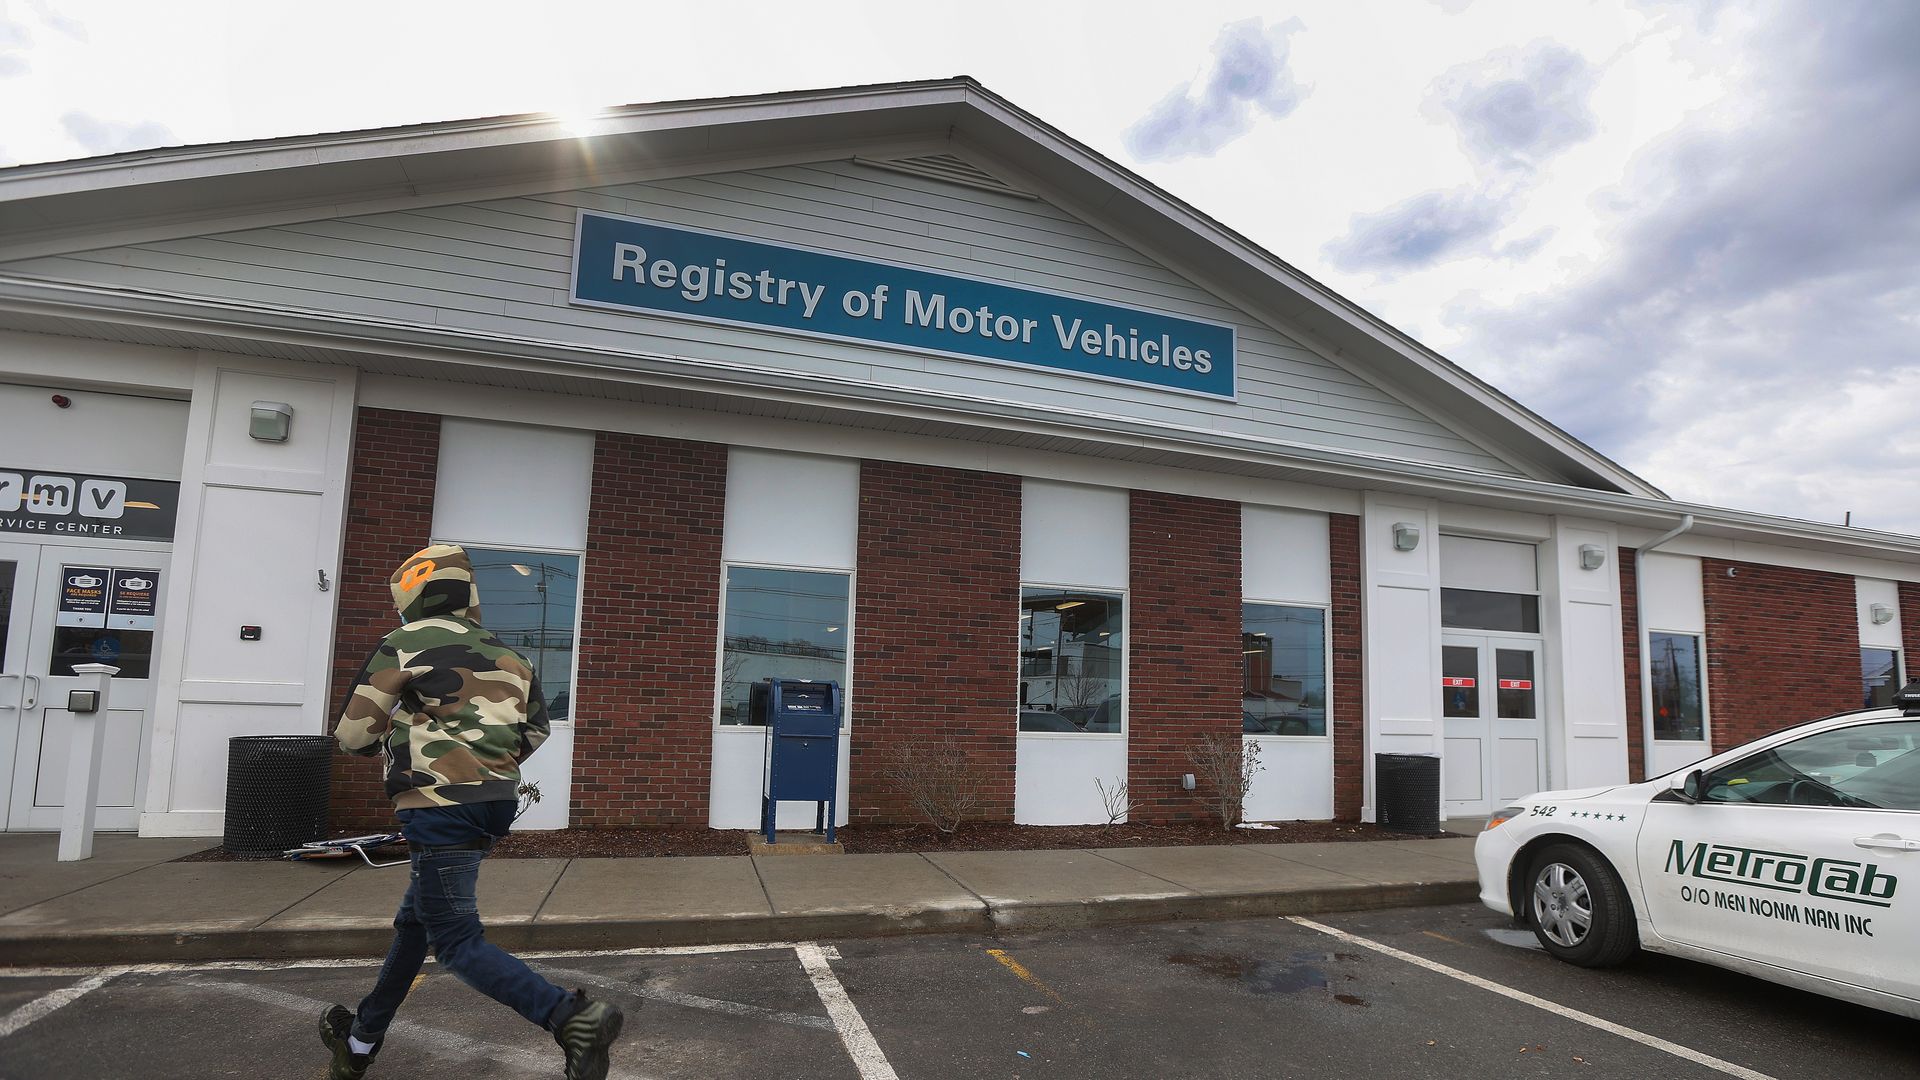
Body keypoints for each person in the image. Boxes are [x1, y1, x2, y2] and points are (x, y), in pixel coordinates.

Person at [319, 543, 624, 1080]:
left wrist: (396, 745)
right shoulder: (509, 653)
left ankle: (569, 1016)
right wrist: (487, 762)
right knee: (416, 925)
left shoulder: (405, 642)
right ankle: (361, 1041)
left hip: (439, 806)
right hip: (493, 802)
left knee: (455, 940)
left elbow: (352, 734)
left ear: (410, 595)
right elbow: (535, 729)